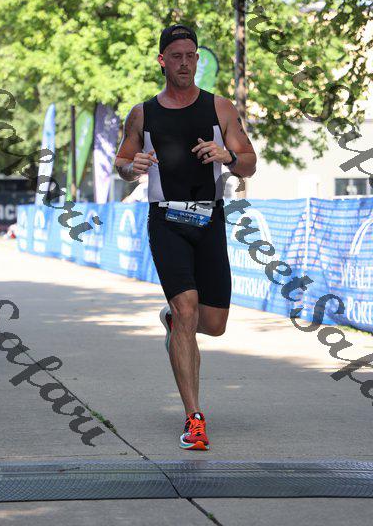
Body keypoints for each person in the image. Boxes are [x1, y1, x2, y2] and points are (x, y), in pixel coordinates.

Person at [114, 24, 257, 451]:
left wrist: (228, 156)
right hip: (166, 221)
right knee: (187, 306)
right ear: (162, 61)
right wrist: (133, 167)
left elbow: (249, 162)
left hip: (209, 220)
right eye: (175, 56)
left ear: (197, 59)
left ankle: (175, 322)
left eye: (190, 55)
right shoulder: (142, 113)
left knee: (213, 325)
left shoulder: (220, 107)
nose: (184, 63)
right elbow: (122, 162)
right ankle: (195, 418)